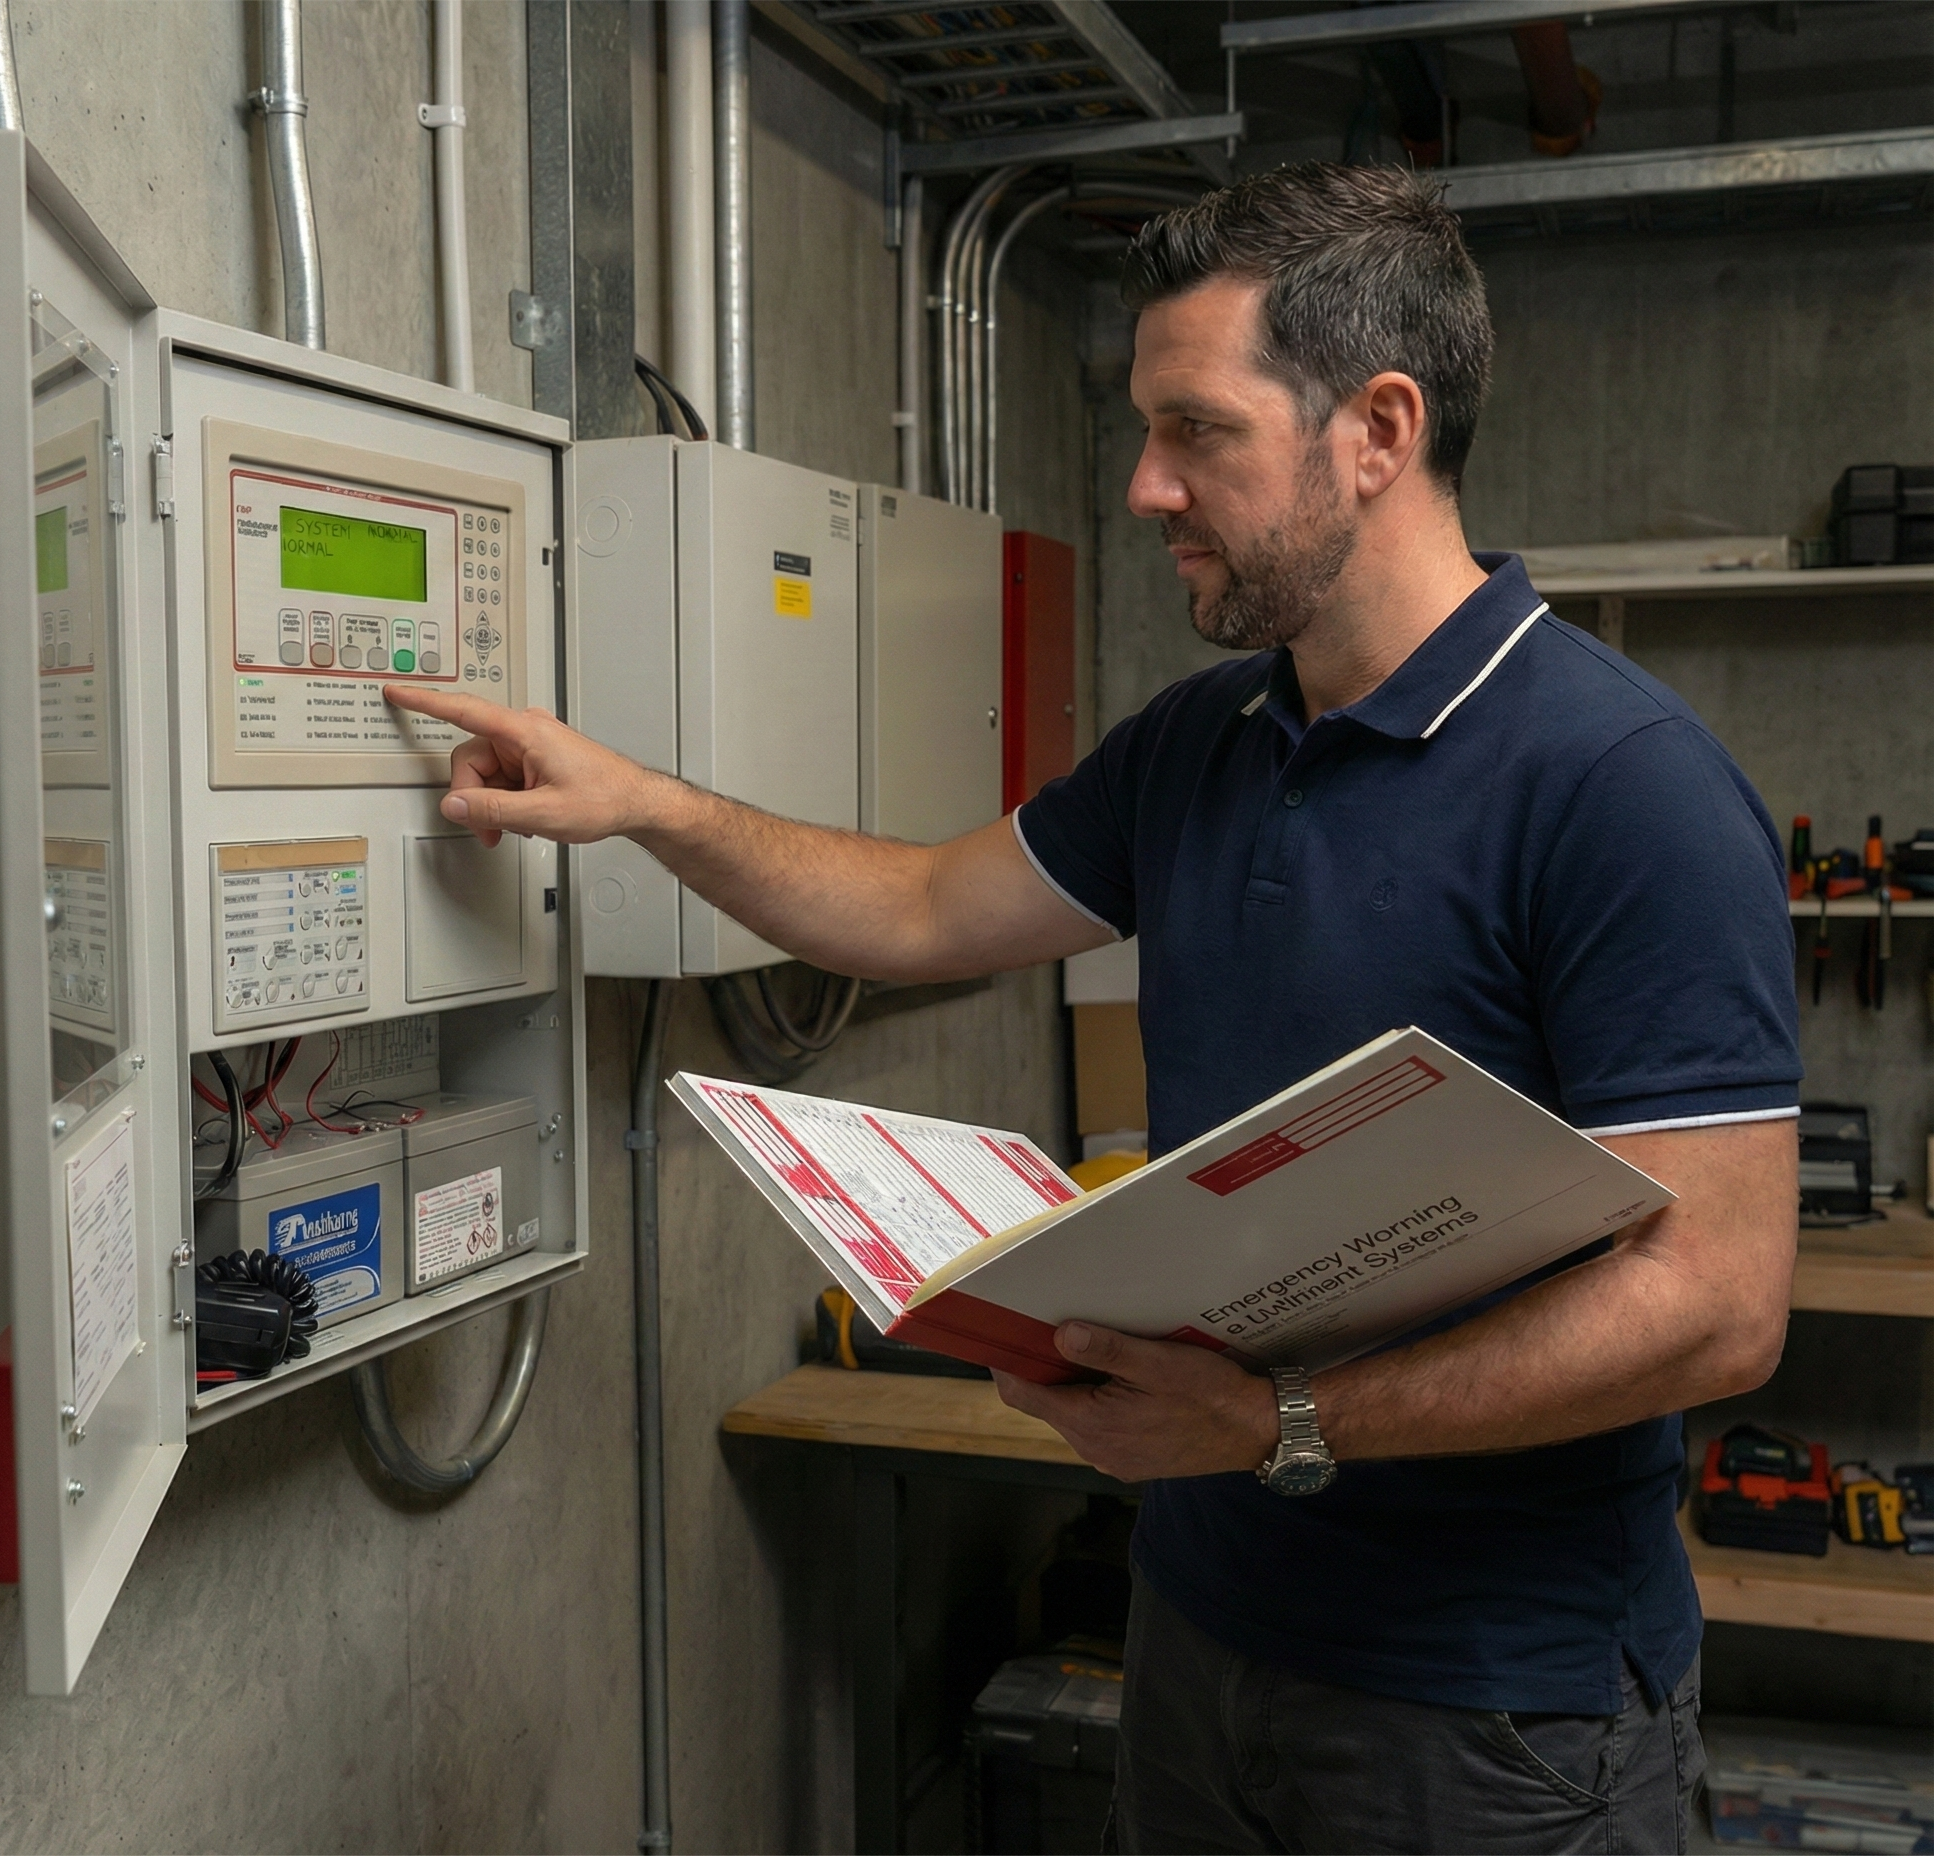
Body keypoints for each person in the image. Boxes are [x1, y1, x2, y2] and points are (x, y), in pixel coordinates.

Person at [385, 163, 1800, 1854]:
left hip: (1493, 1710)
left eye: (1197, 430)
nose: (1145, 487)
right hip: (1203, 1630)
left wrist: (1277, 1424)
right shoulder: (1204, 741)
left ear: (1381, 427)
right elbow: (920, 905)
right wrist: (645, 805)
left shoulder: (1623, 787)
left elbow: (1720, 1305)